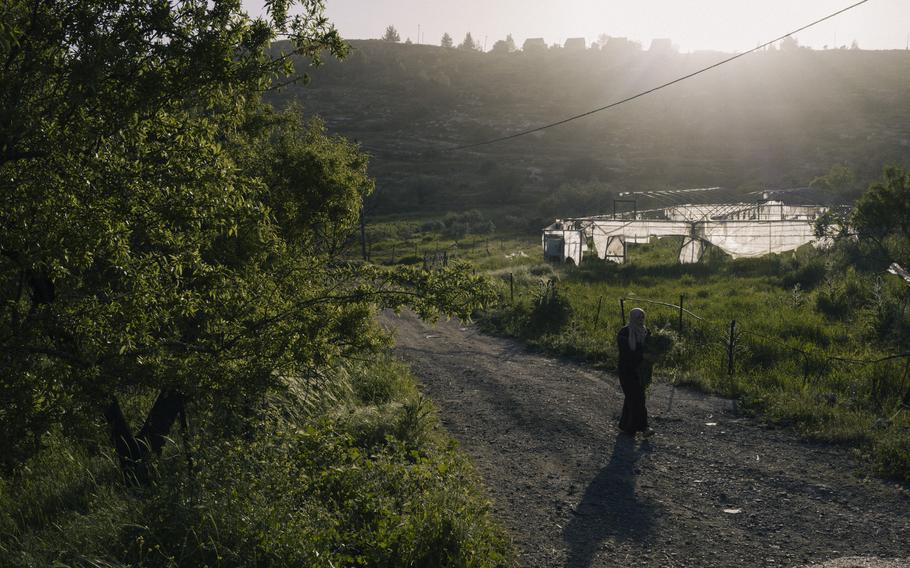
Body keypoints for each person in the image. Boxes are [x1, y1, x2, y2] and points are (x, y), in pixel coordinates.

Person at [616, 307, 653, 437]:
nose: (641, 320)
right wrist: (642, 356)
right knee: (637, 398)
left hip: (641, 372)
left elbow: (650, 348)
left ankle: (627, 426)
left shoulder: (646, 332)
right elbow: (626, 353)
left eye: (642, 317)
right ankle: (644, 427)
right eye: (638, 317)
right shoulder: (624, 333)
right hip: (627, 371)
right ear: (632, 318)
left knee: (632, 398)